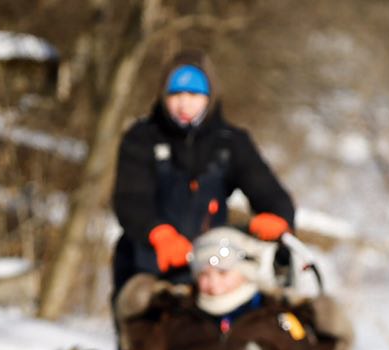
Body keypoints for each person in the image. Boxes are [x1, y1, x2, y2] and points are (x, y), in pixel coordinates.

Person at [110, 51, 296, 318]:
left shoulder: (231, 143)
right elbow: (130, 199)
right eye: (176, 95)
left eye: (194, 95)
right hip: (145, 268)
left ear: (209, 97)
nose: (184, 104)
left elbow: (268, 190)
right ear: (164, 96)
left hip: (208, 273)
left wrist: (278, 217)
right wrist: (159, 234)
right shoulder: (141, 139)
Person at [113, 226, 348, 350]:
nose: (212, 284)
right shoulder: (179, 320)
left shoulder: (278, 323)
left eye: (222, 273)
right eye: (204, 275)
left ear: (245, 272)